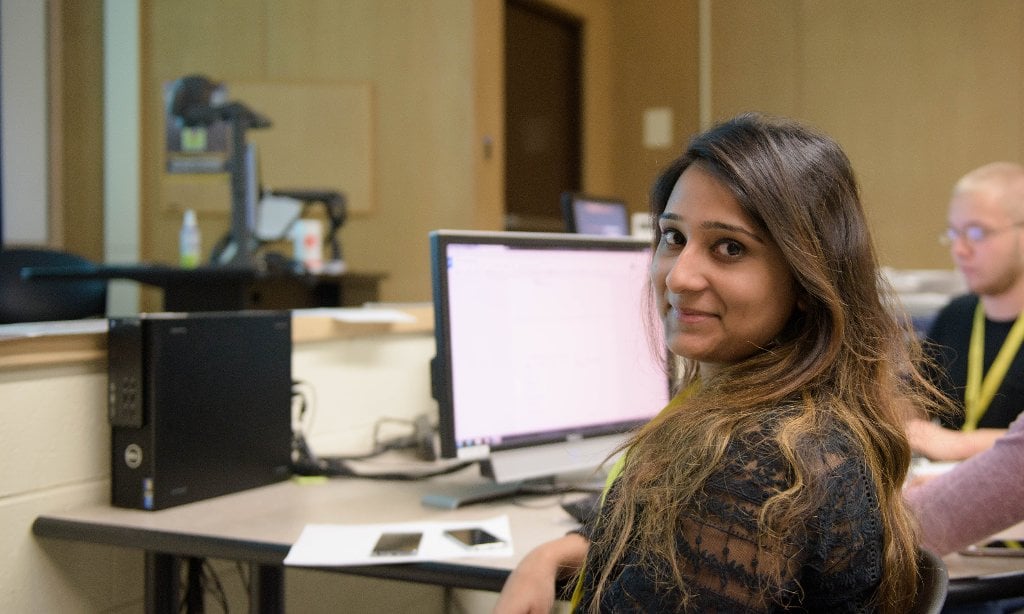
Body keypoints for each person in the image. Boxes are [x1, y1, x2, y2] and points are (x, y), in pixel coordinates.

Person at [494, 113, 944, 613]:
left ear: (806, 279)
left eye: (729, 248)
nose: (680, 276)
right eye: (674, 237)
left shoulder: (757, 467)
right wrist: (554, 554)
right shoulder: (793, 419)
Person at [908, 162, 1024, 461]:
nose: (959, 249)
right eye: (954, 233)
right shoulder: (955, 316)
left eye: (976, 232)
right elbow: (914, 408)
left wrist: (961, 444)